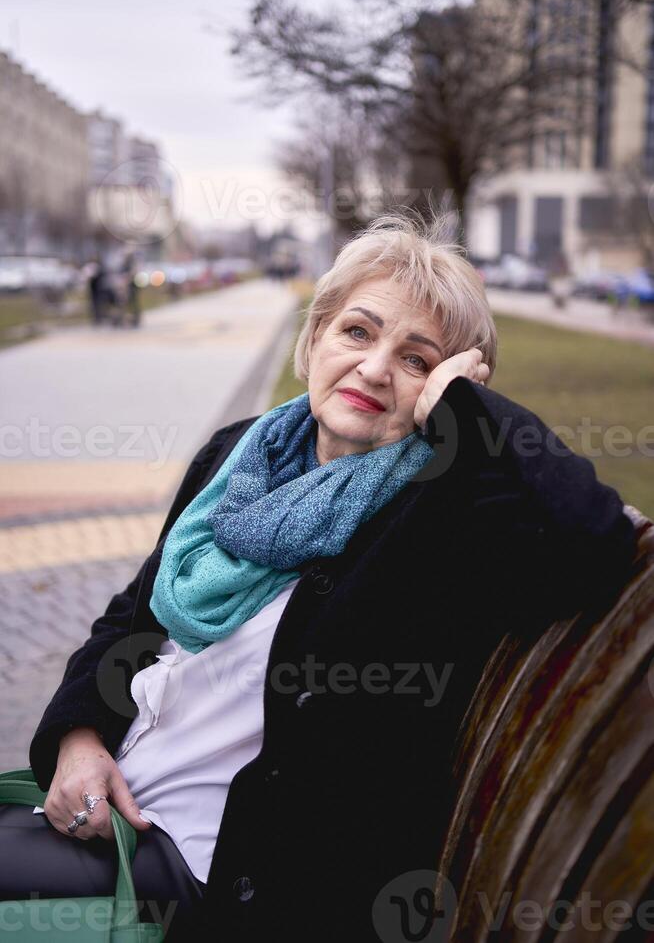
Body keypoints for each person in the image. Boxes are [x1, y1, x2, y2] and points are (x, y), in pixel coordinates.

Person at [0, 210, 637, 942]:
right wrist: (81, 734)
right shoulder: (241, 455)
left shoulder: (443, 516)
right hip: (118, 800)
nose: (373, 368)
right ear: (315, 337)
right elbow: (135, 615)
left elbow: (594, 537)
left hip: (212, 874)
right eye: (358, 332)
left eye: (417, 360)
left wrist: (469, 408)